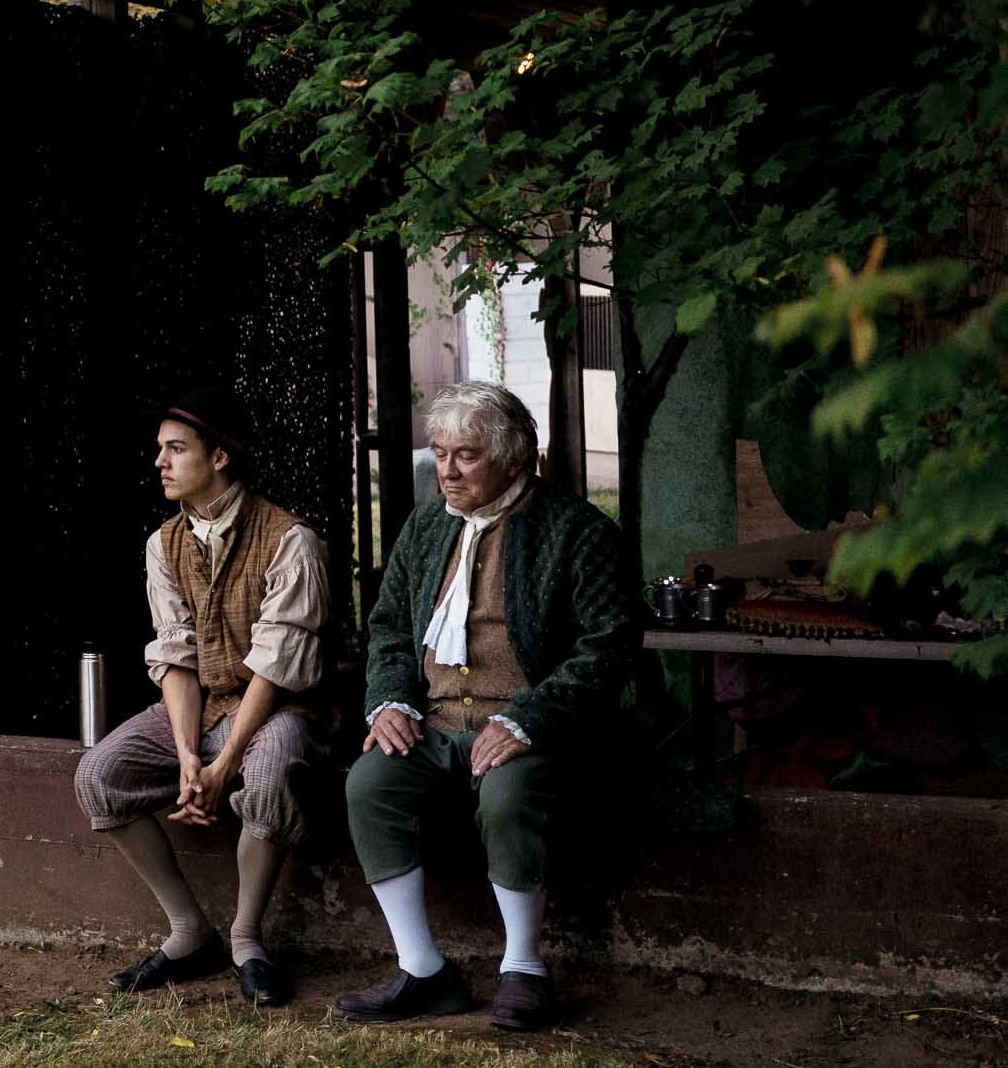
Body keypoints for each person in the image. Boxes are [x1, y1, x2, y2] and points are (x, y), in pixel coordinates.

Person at [334, 381, 637, 1033]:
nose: (445, 469)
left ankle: (523, 966)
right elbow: (387, 629)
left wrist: (529, 717)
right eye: (440, 452)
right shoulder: (423, 527)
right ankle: (423, 968)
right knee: (370, 783)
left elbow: (608, 646)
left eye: (465, 454)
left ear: (514, 457)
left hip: (530, 726)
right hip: (436, 720)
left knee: (506, 795)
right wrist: (388, 700)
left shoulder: (578, 530)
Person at [72, 393, 330, 1007]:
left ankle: (246, 940)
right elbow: (177, 657)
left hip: (280, 708)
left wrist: (224, 765)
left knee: (266, 776)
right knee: (99, 776)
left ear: (220, 457)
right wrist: (190, 756)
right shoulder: (164, 544)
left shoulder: (290, 540)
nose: (160, 461)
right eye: (159, 449)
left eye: (176, 449)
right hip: (206, 704)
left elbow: (275, 667)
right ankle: (190, 933)